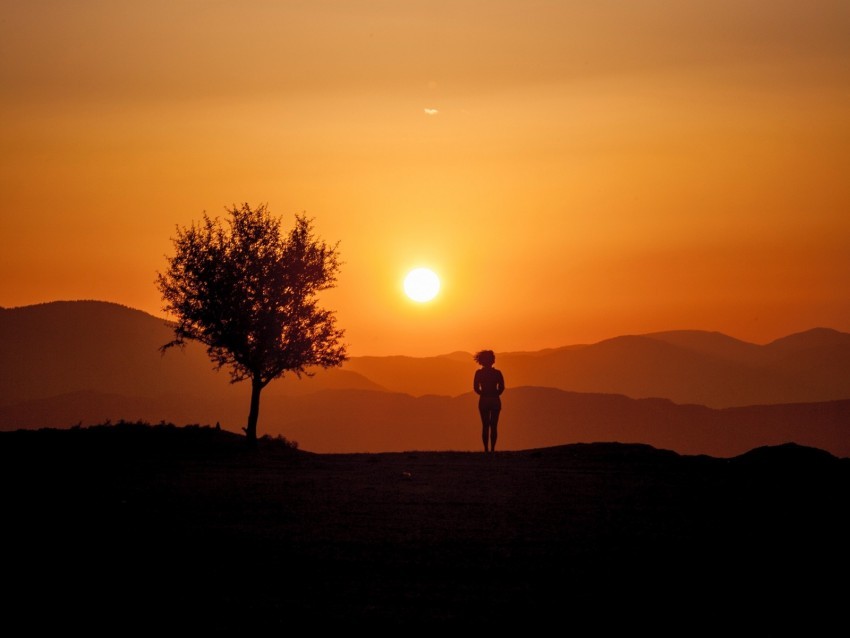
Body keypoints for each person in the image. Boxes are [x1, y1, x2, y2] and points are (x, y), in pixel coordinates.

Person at [473, 349, 505, 452]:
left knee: (485, 425)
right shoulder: (497, 373)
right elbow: (502, 387)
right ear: (492, 360)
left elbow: (476, 388)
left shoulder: (478, 373)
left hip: (484, 400)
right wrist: (495, 394)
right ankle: (492, 449)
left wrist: (483, 393)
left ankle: (486, 449)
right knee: (494, 426)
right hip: (495, 400)